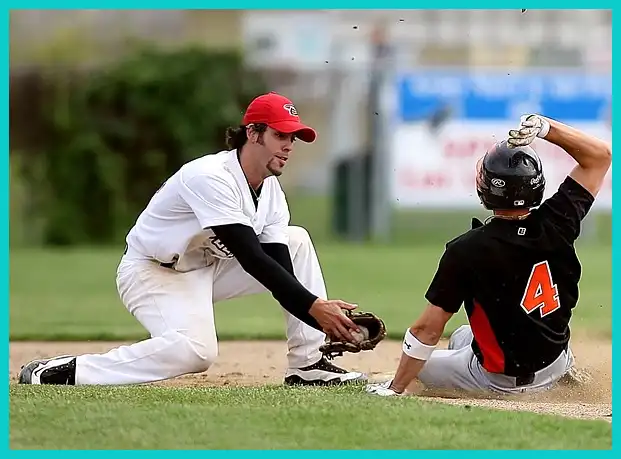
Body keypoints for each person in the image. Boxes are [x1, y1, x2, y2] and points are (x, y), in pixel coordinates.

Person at [19, 91, 367, 387]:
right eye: (281, 135)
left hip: (207, 268)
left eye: (293, 138)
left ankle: (308, 366)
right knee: (197, 351)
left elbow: (279, 268)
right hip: (153, 273)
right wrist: (315, 308)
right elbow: (251, 258)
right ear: (254, 133)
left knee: (296, 240)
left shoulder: (271, 191)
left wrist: (323, 318)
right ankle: (66, 371)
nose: (289, 146)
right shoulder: (211, 176)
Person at [365, 114, 611, 396]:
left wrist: (396, 387)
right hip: (555, 361)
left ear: (485, 189)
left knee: (417, 370)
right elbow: (600, 156)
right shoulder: (559, 221)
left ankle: (399, 387)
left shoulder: (466, 249)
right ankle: (562, 374)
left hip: (502, 381)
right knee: (461, 336)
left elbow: (426, 331)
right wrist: (546, 128)